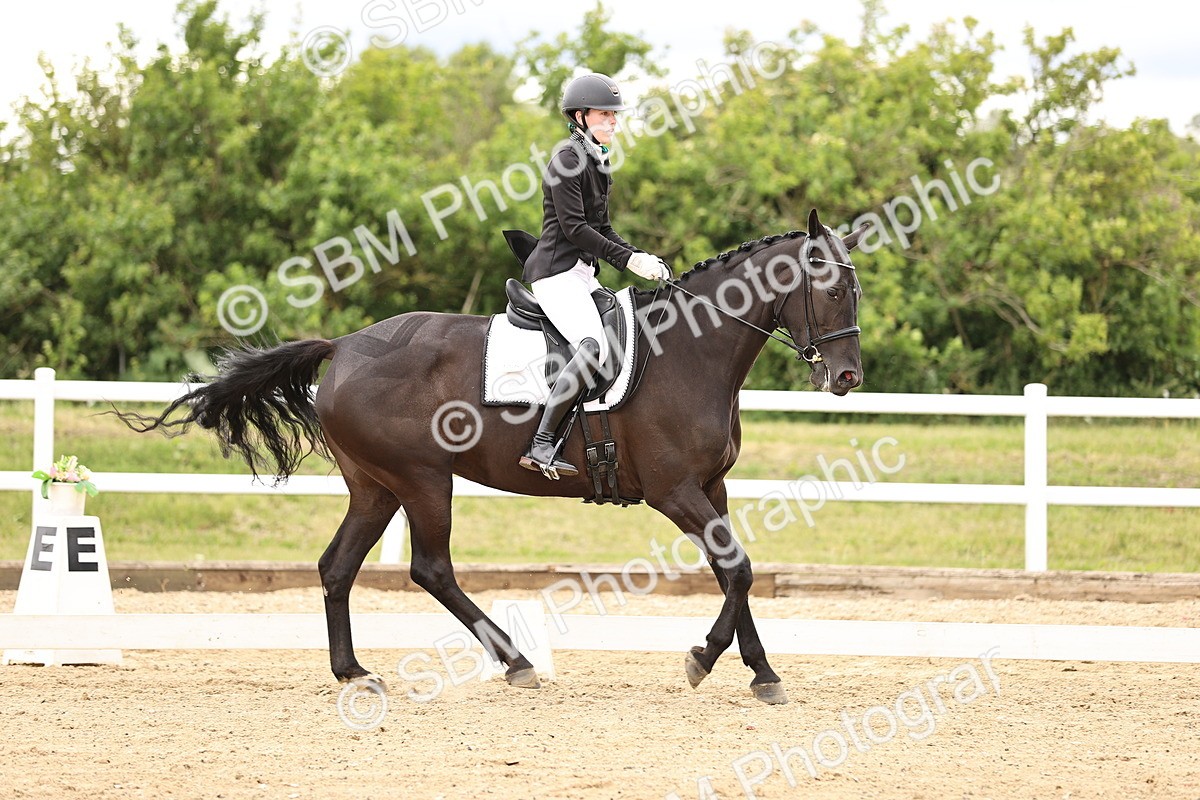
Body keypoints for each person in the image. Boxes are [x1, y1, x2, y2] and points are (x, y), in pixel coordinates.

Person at [518, 72, 671, 479]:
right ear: (581, 116)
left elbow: (601, 229)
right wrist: (628, 262)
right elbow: (575, 229)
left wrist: (639, 255)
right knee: (591, 347)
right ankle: (542, 443)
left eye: (615, 115)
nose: (614, 122)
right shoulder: (567, 160)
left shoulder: (596, 161)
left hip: (583, 274)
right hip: (556, 274)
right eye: (606, 115)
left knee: (626, 331)